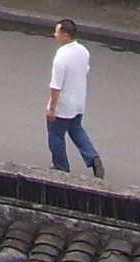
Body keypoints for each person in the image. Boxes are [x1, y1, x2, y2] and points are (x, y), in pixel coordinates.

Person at [45, 19, 104, 179]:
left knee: (56, 137)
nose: (55, 35)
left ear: (64, 35)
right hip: (78, 102)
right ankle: (93, 157)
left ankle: (61, 168)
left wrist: (52, 108)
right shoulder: (83, 51)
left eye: (57, 32)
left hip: (63, 106)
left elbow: (56, 86)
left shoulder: (61, 58)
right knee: (76, 130)